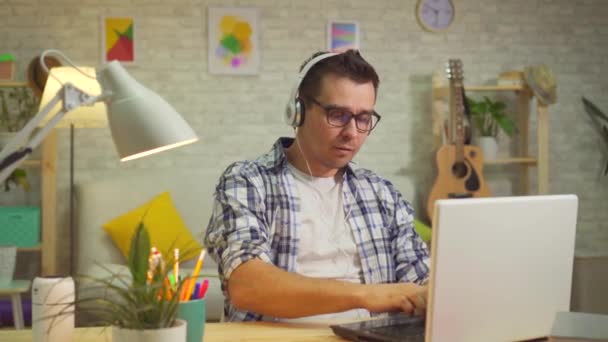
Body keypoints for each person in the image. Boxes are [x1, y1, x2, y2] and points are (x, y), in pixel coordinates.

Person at [204, 49, 430, 322]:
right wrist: (367, 295)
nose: (352, 133)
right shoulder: (248, 181)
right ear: (298, 111)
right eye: (338, 115)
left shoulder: (381, 193)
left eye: (363, 119)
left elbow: (421, 278)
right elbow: (246, 285)